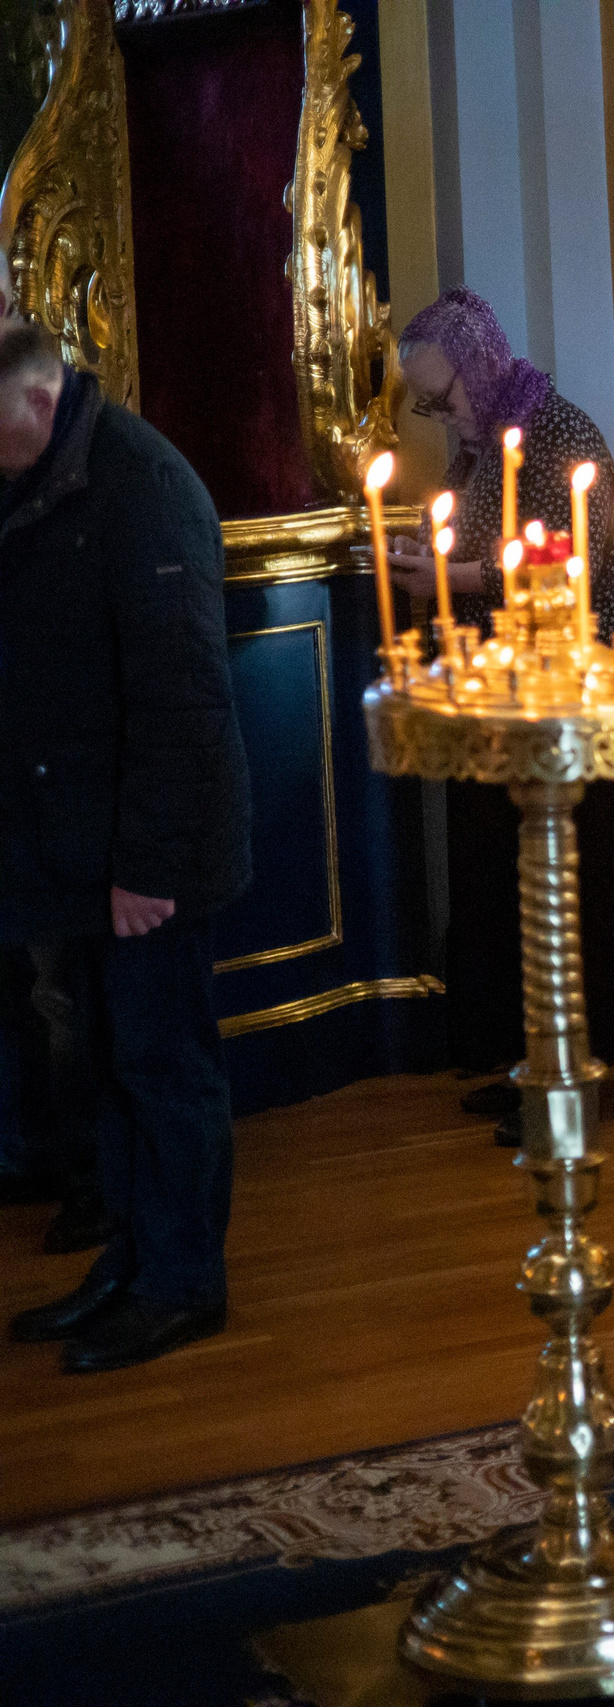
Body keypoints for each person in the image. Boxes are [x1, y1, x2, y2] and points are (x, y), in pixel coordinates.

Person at [0, 318, 251, 1373]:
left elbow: (180, 704)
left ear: (38, 402)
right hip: (77, 838)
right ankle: (131, 1263)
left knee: (164, 1065)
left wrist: (145, 873)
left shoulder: (145, 487)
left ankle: (183, 1282)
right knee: (107, 1065)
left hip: (151, 856)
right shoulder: (46, 477)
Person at [391, 289, 614, 1145]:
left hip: (568, 701)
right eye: (427, 403)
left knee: (567, 891)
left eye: (446, 395)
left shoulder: (559, 437)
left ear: (480, 366)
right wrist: (427, 561)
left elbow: (562, 572)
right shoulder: (477, 449)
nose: (440, 414)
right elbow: (477, 545)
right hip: (499, 692)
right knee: (497, 882)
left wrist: (442, 581)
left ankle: (568, 1075)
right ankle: (518, 1060)